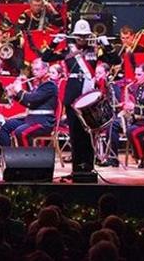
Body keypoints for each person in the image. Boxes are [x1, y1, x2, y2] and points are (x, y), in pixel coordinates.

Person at [40, 19, 118, 176]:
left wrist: (107, 46)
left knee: (89, 133)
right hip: (73, 97)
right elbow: (46, 58)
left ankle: (88, 167)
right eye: (79, 36)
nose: (81, 39)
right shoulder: (68, 50)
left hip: (88, 97)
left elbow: (116, 61)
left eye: (84, 35)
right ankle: (76, 169)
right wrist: (54, 42)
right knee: (75, 134)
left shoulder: (95, 50)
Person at [0, 59, 58, 152]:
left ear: (45, 69)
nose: (34, 72)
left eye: (37, 69)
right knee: (5, 126)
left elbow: (31, 100)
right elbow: (29, 104)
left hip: (43, 121)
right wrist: (13, 94)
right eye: (33, 70)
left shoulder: (49, 85)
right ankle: (7, 156)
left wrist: (19, 90)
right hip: (31, 119)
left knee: (21, 132)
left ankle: (27, 161)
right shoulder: (39, 85)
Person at [110, 63, 144, 168]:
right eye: (135, 74)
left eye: (139, 74)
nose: (136, 77)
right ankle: (113, 159)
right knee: (114, 125)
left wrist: (133, 107)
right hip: (140, 121)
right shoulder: (140, 88)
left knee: (133, 131)